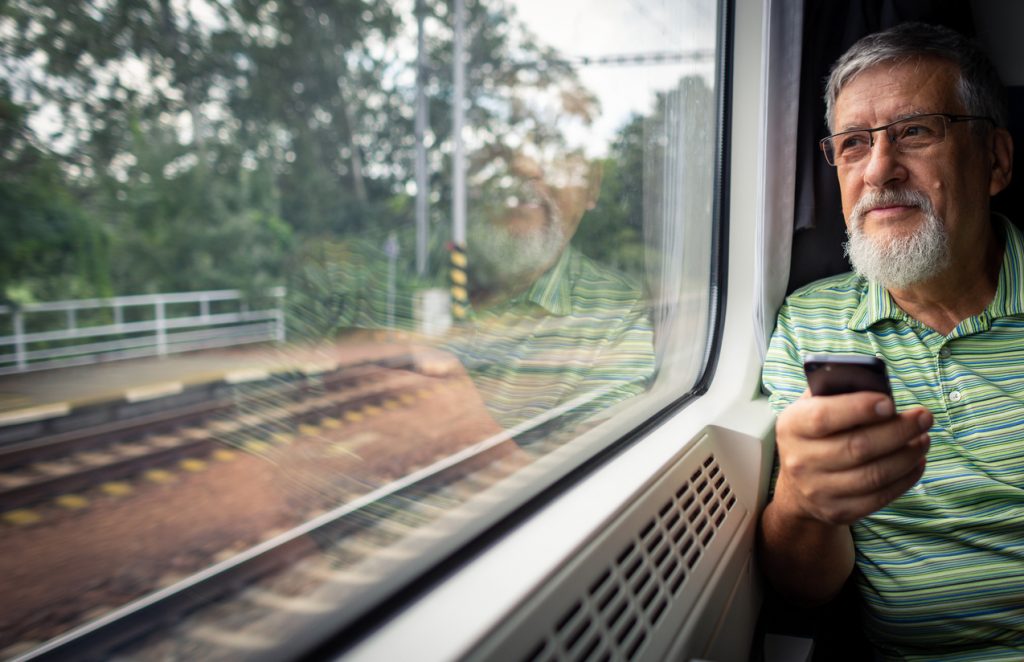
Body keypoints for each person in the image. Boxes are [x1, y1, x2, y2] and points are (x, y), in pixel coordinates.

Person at [759, 22, 1022, 660]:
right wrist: (803, 499)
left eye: (915, 131)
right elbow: (805, 590)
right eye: (853, 144)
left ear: (994, 161)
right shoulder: (808, 324)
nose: (879, 169)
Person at [442, 94, 656, 431]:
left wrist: (455, 430)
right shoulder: (419, 276)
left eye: (554, 153)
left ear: (592, 187)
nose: (525, 169)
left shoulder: (614, 316)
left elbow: (600, 472)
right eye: (504, 154)